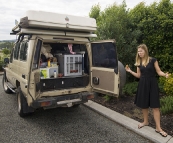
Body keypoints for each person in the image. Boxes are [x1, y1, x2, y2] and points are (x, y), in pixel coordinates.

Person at [125, 44, 169, 137]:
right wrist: (130, 71)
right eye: (138, 51)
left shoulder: (153, 60)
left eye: (141, 51)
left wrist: (164, 74)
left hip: (152, 84)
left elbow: (158, 71)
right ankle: (145, 122)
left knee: (155, 106)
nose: (139, 53)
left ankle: (158, 128)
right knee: (144, 105)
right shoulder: (138, 62)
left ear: (145, 51)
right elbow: (138, 76)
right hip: (143, 84)